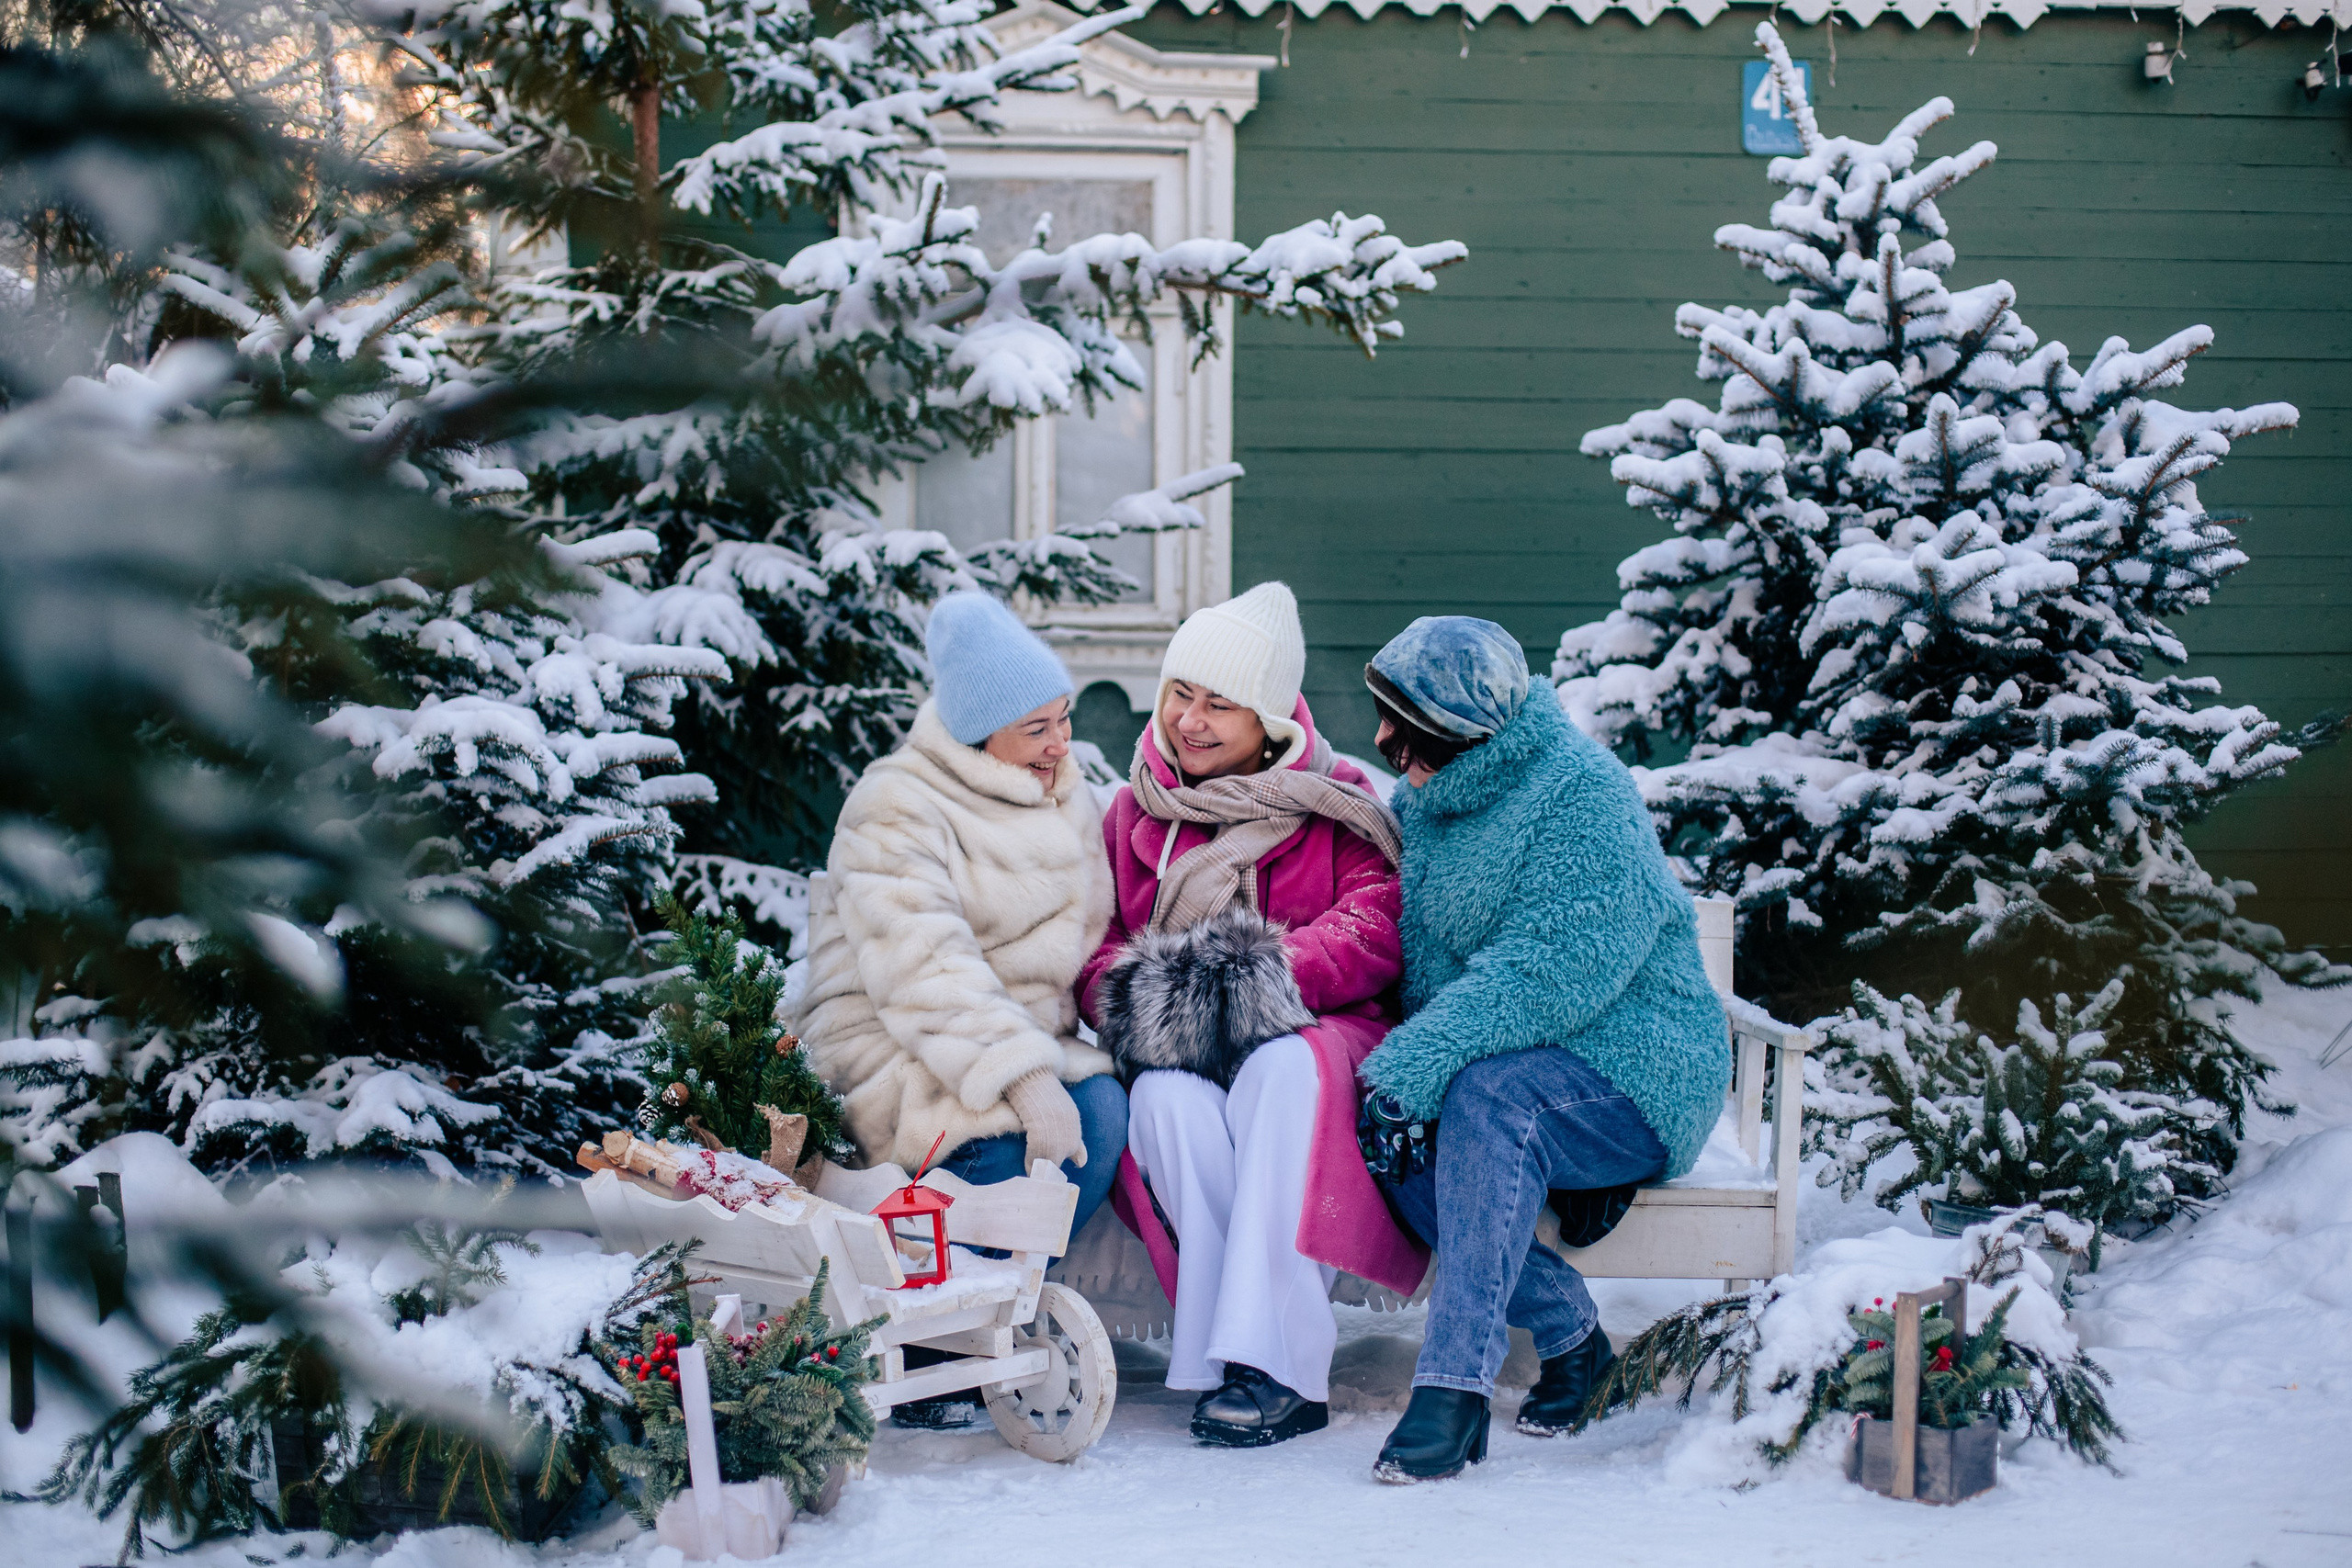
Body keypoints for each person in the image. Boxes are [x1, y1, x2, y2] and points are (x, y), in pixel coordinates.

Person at [1355, 615, 1729, 1483]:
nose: (1382, 742)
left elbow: (1548, 973)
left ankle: (1451, 1392)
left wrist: (1417, 1065)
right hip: (1513, 1069)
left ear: (1459, 725)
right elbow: (1429, 962)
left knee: (1485, 1099)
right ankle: (1574, 1341)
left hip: (1638, 1065)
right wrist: (1401, 1080)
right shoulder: (1427, 799)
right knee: (1398, 1140)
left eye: (1402, 726)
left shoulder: (1580, 793)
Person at [1078, 581, 1426, 1449]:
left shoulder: (1336, 799)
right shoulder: (1135, 811)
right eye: (1179, 693)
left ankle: (1284, 1367)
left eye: (1219, 703)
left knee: (1278, 1067)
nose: (1189, 720)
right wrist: (1162, 1007)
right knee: (1162, 1100)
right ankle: (1226, 1353)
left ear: (1268, 719)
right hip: (1177, 1044)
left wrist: (1243, 987)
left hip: (1318, 1036)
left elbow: (1374, 927)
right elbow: (1098, 952)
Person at [795, 592, 1126, 1427]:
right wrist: (1022, 1076)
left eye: (1064, 719)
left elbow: (1093, 936)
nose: (1061, 744)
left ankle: (988, 1310)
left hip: (1009, 1041)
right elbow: (922, 966)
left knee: (1108, 1109)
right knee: (1016, 1128)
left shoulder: (1061, 789)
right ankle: (929, 1333)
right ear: (982, 733)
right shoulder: (895, 803)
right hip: (897, 1045)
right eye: (1037, 728)